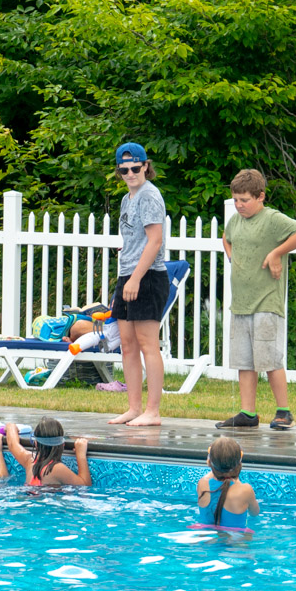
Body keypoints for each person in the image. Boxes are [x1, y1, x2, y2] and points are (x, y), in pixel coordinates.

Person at [217, 169, 296, 430]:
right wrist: (232, 256)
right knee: (244, 362)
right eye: (236, 200)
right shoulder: (236, 221)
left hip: (266, 303)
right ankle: (248, 413)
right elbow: (226, 239)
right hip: (241, 303)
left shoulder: (272, 219)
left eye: (244, 200)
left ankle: (284, 412)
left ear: (261, 197)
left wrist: (275, 254)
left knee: (269, 359)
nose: (239, 205)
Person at [108, 142, 168, 427]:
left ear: (146, 165)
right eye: (124, 169)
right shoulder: (127, 199)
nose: (130, 173)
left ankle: (152, 411)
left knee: (147, 345)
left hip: (148, 277)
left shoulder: (149, 196)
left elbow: (155, 241)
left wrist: (135, 278)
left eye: (135, 168)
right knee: (128, 346)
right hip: (128, 275)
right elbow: (136, 239)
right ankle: (134, 407)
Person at [193, 437, 258, 532]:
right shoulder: (245, 490)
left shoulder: (202, 484)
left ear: (209, 462)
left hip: (205, 535)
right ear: (239, 461)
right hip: (237, 539)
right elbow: (255, 513)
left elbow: (214, 476)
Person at [3, 417, 92, 487]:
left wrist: (11, 427)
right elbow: (85, 486)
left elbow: (12, 445)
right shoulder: (57, 468)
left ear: (36, 443)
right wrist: (81, 455)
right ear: (62, 444)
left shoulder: (30, 460)